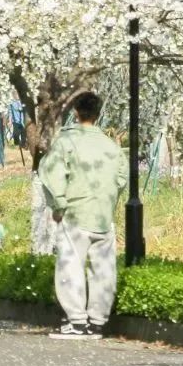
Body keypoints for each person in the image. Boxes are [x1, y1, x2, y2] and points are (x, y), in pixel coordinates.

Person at [39, 91, 126, 340]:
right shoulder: (111, 146)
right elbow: (121, 178)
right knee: (104, 268)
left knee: (71, 266)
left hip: (75, 213)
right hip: (103, 215)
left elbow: (51, 173)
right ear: (99, 114)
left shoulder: (67, 141)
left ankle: (76, 321)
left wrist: (59, 205)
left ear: (75, 112)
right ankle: (97, 322)